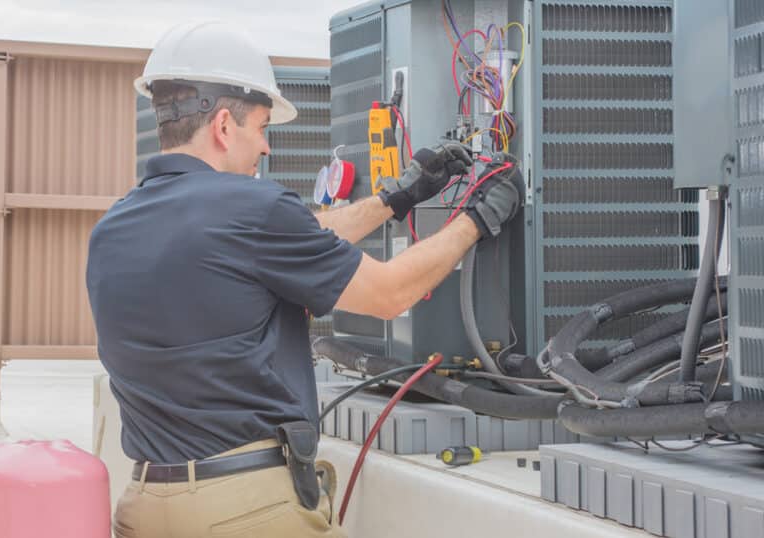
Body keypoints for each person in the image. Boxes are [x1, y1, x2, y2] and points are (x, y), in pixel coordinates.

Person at [86, 20, 521, 538]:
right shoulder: (253, 209)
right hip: (243, 510)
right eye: (262, 127)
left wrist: (396, 198)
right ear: (225, 125)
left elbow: (298, 238)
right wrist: (477, 217)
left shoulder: (114, 226)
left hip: (145, 505)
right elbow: (389, 294)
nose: (266, 148)